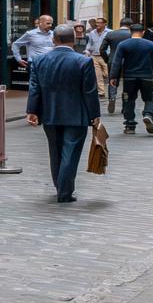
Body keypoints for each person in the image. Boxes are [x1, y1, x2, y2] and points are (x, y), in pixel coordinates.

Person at [24, 25, 102, 204]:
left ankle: (60, 186)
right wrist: (95, 115)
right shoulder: (83, 61)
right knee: (71, 152)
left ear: (53, 39)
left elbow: (34, 88)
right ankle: (65, 191)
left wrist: (32, 111)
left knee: (55, 151)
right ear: (74, 40)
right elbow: (90, 91)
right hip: (77, 115)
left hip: (50, 114)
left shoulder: (39, 61)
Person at [110, 24, 153, 136]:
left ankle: (130, 125)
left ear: (130, 31)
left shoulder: (123, 44)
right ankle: (148, 114)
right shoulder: (150, 44)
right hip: (146, 76)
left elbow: (116, 62)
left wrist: (113, 77)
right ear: (143, 32)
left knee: (128, 100)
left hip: (129, 77)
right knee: (150, 98)